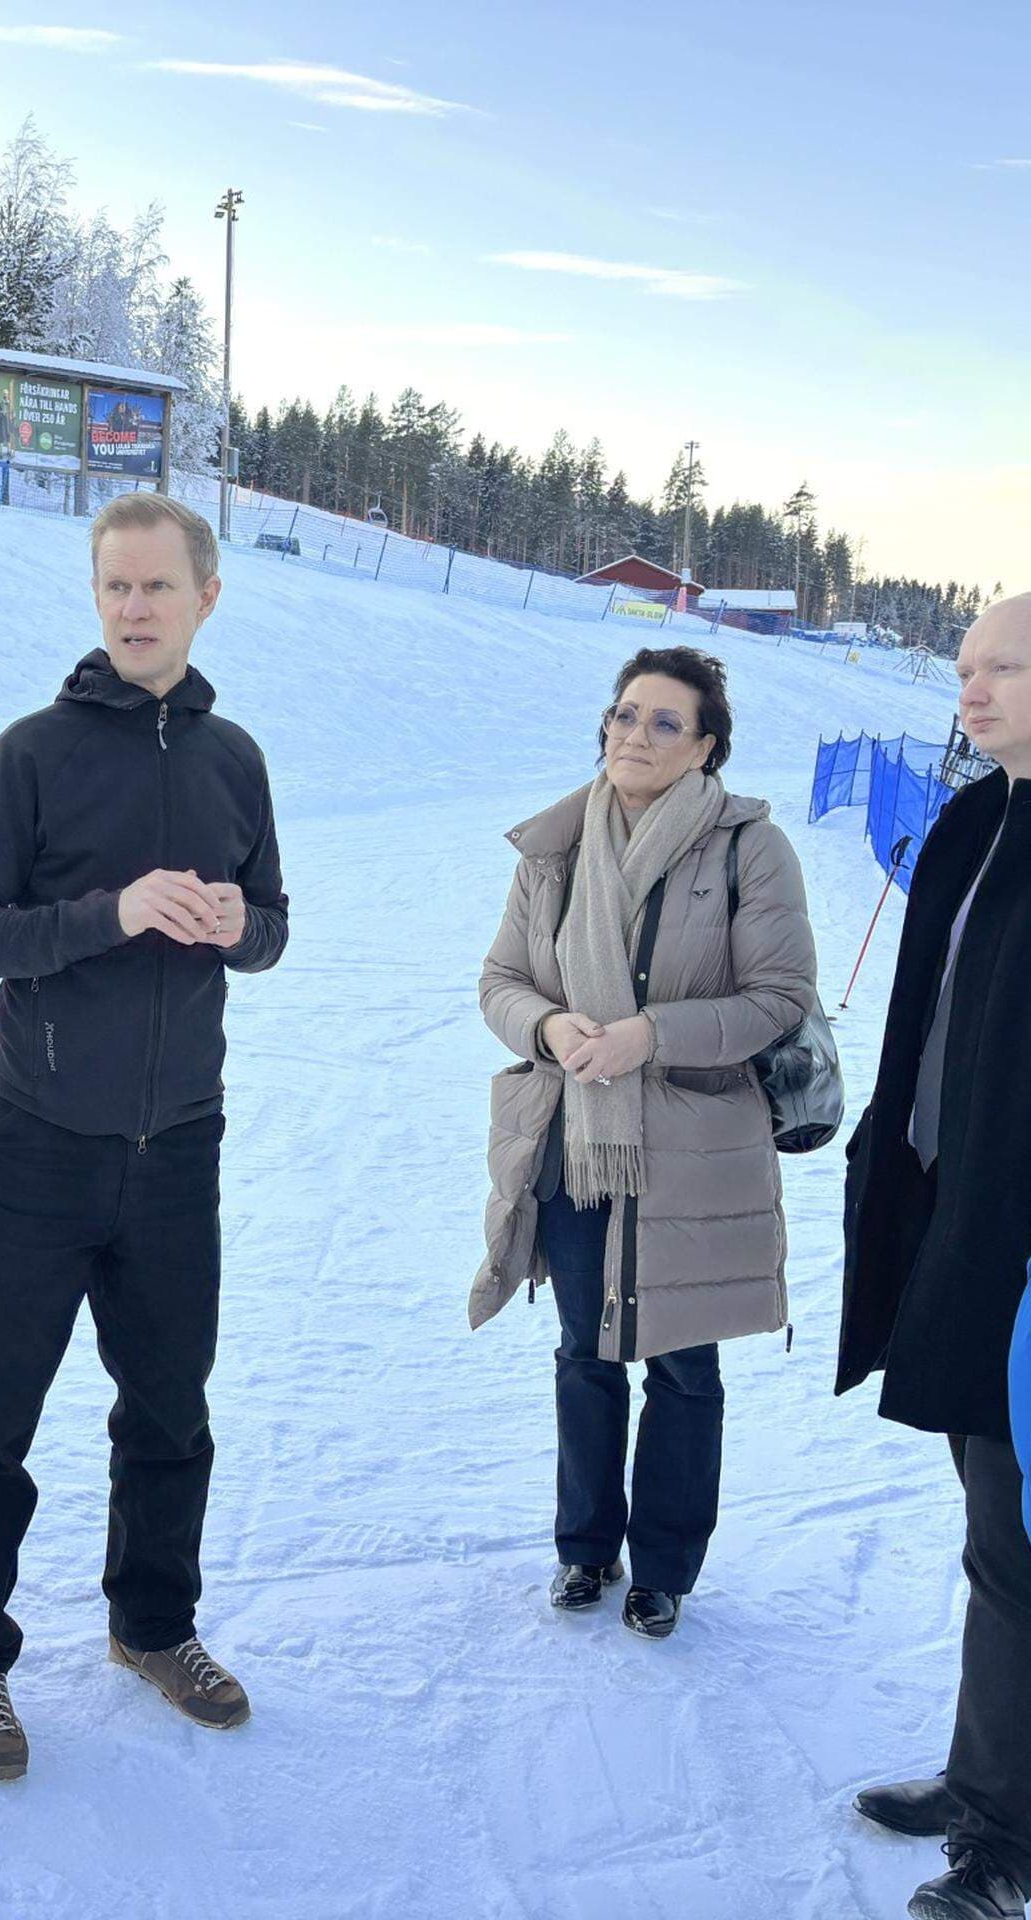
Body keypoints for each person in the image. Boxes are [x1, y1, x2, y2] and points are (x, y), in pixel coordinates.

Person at [0, 491, 288, 1780]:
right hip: (38, 1142)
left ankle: (153, 1627)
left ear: (206, 598)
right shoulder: (32, 753)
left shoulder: (236, 757)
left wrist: (237, 926)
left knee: (171, 1409)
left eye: (157, 589)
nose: (134, 610)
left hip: (179, 1145)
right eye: (114, 589)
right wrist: (108, 911)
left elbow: (276, 923)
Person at [471, 646, 817, 1640]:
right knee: (585, 1351)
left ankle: (664, 1566)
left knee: (681, 1364)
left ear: (707, 746)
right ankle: (586, 1548)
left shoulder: (750, 849)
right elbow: (499, 980)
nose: (637, 735)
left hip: (693, 1149)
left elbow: (779, 999)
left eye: (667, 722)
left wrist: (649, 1034)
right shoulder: (555, 847)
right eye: (626, 714)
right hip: (577, 1135)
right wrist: (548, 1028)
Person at [840, 594, 1031, 1920]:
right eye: (965, 668)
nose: (973, 689)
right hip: (963, 1230)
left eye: (1005, 666)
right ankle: (989, 1783)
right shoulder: (972, 822)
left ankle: (1005, 1839)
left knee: (1017, 1539)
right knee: (994, 1530)